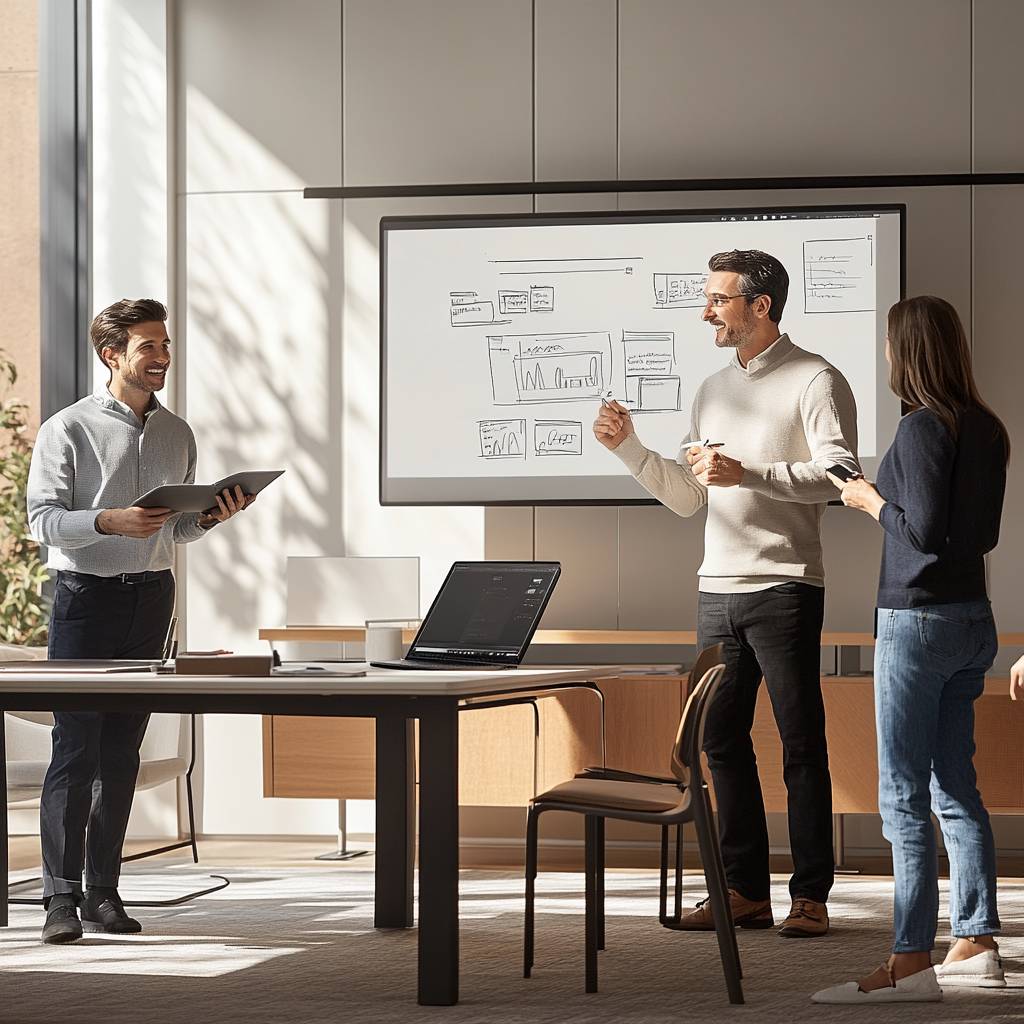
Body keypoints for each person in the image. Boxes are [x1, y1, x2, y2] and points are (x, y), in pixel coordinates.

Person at [593, 249, 859, 939]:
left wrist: (749, 472)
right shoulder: (712, 388)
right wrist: (630, 449)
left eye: (718, 299)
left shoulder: (816, 378)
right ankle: (744, 892)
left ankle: (811, 896)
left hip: (785, 585)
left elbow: (839, 476)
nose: (706, 311)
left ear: (760, 305)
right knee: (719, 741)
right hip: (716, 590)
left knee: (801, 743)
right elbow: (689, 497)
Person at [26, 298, 252, 945]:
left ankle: (103, 891)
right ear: (112, 355)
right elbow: (42, 522)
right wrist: (108, 520)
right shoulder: (67, 429)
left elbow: (174, 531)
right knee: (75, 750)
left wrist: (209, 517)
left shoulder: (178, 433)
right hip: (84, 600)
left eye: (165, 345)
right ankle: (59, 898)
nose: (162, 357)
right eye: (148, 346)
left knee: (121, 751)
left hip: (151, 598)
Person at [812, 295, 1010, 1004]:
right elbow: (977, 536)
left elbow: (920, 532)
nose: (887, 355)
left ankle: (909, 962)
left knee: (902, 794)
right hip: (972, 621)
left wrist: (868, 501)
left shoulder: (923, 427)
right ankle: (976, 941)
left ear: (908, 351)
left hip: (917, 624)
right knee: (954, 785)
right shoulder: (987, 427)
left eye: (892, 345)